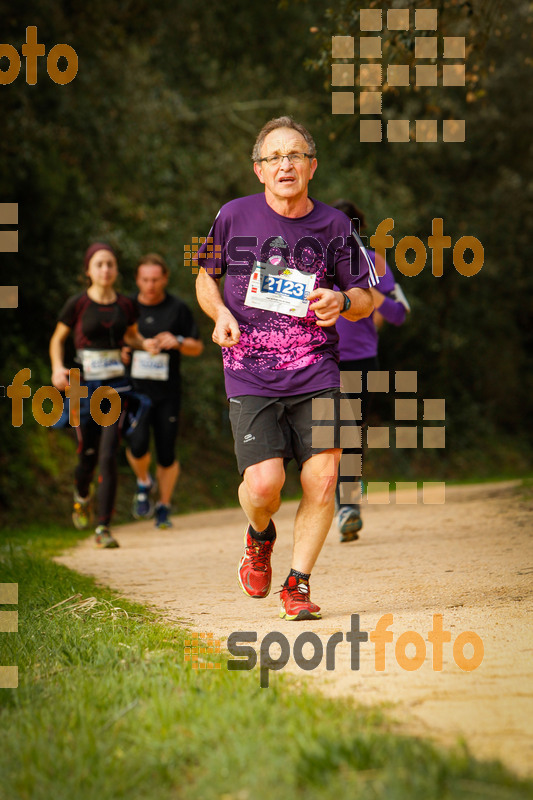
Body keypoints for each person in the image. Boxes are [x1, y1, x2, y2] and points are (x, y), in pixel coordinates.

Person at [195, 116, 377, 621]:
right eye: (274, 157)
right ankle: (259, 536)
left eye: (295, 155)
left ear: (312, 166)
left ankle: (297, 584)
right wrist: (221, 313)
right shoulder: (233, 217)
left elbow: (366, 297)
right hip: (249, 370)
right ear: (258, 170)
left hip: (317, 368)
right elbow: (205, 279)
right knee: (264, 486)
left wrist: (342, 299)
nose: (285, 165)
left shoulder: (335, 227)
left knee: (322, 478)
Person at [50, 243, 158, 548]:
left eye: (110, 264)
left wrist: (144, 344)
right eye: (99, 264)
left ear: (116, 269)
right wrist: (58, 368)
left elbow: (132, 336)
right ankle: (81, 493)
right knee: (88, 454)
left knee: (109, 455)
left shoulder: (126, 305)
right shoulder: (78, 304)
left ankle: (103, 528)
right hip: (84, 388)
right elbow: (57, 340)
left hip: (116, 388)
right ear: (88, 270)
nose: (105, 269)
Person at [334, 200, 410, 542]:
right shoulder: (315, 261)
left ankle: (347, 503)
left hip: (361, 359)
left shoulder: (375, 263)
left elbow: (400, 314)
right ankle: (342, 501)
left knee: (350, 432)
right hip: (320, 358)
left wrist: (371, 295)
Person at [125, 253, 203, 528]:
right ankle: (144, 482)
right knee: (137, 444)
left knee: (167, 451)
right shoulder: (127, 307)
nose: (150, 285)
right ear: (137, 280)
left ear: (165, 279)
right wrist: (125, 350)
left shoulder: (178, 309)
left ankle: (164, 507)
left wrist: (178, 340)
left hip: (168, 392)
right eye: (145, 279)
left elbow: (198, 347)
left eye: (156, 279)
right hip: (135, 390)